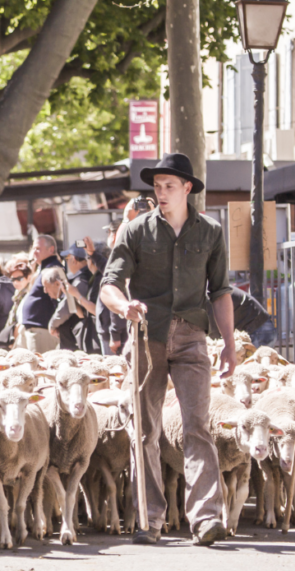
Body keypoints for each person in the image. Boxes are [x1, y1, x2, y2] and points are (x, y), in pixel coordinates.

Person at [101, 153, 236, 546]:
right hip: (148, 336)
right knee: (145, 430)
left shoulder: (210, 231)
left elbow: (221, 291)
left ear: (187, 188)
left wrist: (230, 345)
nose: (161, 192)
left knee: (197, 426)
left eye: (169, 186)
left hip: (192, 335)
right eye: (157, 186)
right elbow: (109, 284)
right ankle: (150, 519)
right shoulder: (135, 230)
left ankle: (206, 519)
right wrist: (123, 306)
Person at [19, 234, 63, 353]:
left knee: (40, 363)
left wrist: (55, 324)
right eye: (33, 248)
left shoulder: (54, 269)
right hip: (33, 328)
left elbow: (58, 299)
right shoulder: (43, 269)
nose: (34, 252)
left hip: (42, 329)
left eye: (38, 248)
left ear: (51, 249)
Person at [50, 242, 94, 351]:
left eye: (67, 258)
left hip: (81, 335)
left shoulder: (80, 281)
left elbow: (66, 308)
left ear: (74, 260)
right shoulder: (88, 276)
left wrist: (52, 325)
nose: (66, 262)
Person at [94, 222, 129, 355]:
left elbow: (116, 294)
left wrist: (115, 334)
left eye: (108, 232)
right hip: (118, 329)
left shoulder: (123, 258)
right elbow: (105, 267)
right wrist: (92, 253)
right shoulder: (120, 257)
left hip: (121, 331)